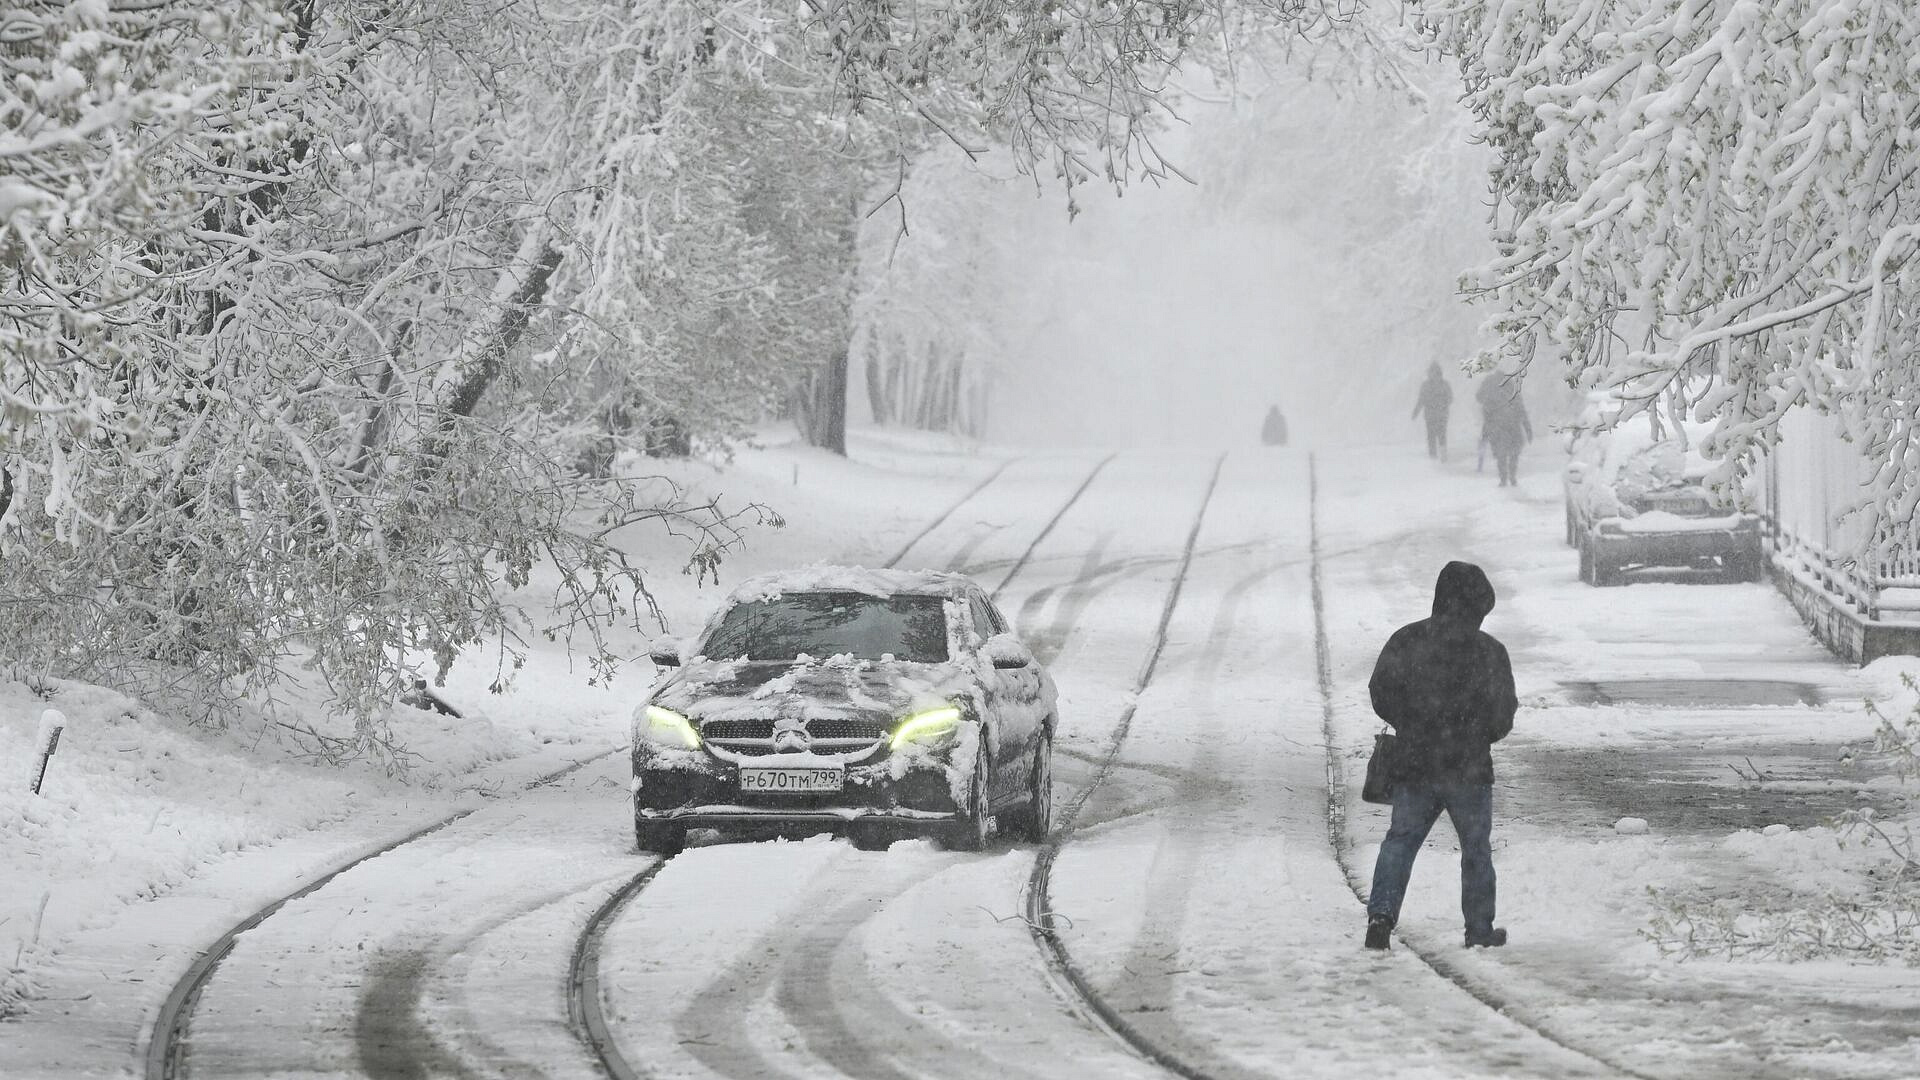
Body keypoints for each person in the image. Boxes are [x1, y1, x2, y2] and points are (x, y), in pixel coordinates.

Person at [1363, 561, 1517, 951]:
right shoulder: (1489, 651)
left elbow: (1380, 691)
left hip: (1415, 764)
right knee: (1476, 850)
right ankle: (1479, 929)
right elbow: (1504, 713)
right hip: (1470, 769)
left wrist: (1411, 724)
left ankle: (1381, 916)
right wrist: (1476, 735)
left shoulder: (1407, 640)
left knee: (1400, 841)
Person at [1482, 379, 1533, 487]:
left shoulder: (1494, 398)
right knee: (1513, 456)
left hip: (1500, 432)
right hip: (1513, 431)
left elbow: (1488, 417)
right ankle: (1511, 477)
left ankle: (1504, 478)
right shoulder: (1515, 398)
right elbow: (1523, 415)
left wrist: (1485, 432)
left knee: (1502, 456)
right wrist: (1528, 430)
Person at [1410, 364, 1453, 461]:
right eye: (1431, 373)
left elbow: (1450, 398)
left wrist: (1441, 404)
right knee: (1434, 435)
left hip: (1436, 415)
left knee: (1437, 435)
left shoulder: (1430, 385)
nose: (1432, 375)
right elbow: (1421, 400)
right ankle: (1436, 457)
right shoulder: (1441, 384)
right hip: (1436, 415)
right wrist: (1416, 411)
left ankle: (1439, 456)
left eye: (1433, 373)